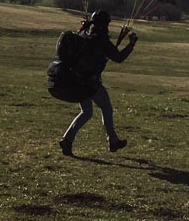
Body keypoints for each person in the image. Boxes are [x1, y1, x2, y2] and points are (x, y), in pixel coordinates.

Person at [59, 10, 138, 156]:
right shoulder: (100, 39)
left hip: (75, 78)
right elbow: (118, 57)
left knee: (87, 112)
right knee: (106, 108)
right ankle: (113, 141)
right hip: (89, 82)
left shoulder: (83, 32)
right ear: (104, 24)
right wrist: (131, 44)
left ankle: (67, 140)